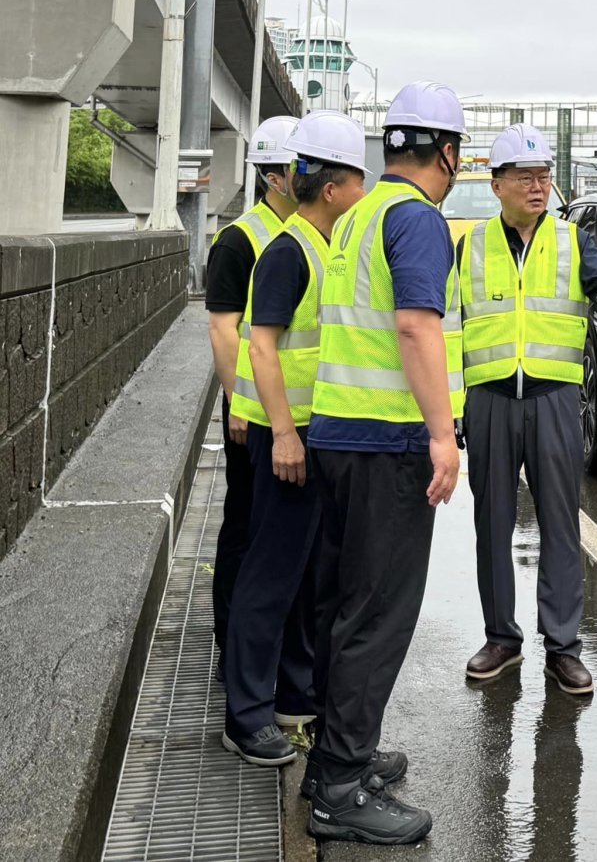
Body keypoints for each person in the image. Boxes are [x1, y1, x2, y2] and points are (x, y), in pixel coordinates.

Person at [302, 81, 467, 846]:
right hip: (388, 442)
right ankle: (338, 786)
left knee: (342, 605)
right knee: (376, 616)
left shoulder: (358, 214)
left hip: (337, 435)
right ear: (448, 153)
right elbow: (413, 326)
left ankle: (340, 756)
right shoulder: (418, 219)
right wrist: (442, 434)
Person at [458, 124, 597, 695]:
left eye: (544, 176)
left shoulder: (570, 238)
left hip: (554, 397)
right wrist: (455, 407)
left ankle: (563, 647)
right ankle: (501, 638)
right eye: (525, 177)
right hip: (488, 399)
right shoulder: (472, 244)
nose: (538, 187)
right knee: (491, 525)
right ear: (498, 183)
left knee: (561, 524)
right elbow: (446, 324)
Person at [221, 111, 368, 767]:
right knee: (270, 576)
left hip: (315, 433)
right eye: (358, 181)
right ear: (332, 188)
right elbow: (261, 345)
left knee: (307, 578)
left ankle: (293, 697)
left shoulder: (323, 247)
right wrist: (282, 433)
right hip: (286, 437)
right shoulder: (287, 251)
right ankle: (245, 714)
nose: (363, 193)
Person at [205, 116, 298, 679]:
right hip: (250, 405)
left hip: (292, 405)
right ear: (274, 176)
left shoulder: (313, 234)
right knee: (243, 524)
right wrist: (238, 401)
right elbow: (223, 330)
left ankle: (270, 642)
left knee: (277, 529)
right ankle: (229, 643)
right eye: (298, 166)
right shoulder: (240, 239)